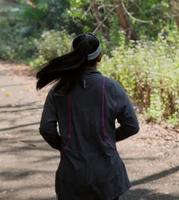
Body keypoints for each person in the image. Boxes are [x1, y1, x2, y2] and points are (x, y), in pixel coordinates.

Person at [36, 33, 139, 200]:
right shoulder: (111, 87)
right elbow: (132, 126)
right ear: (99, 57)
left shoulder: (59, 90)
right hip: (107, 176)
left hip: (72, 176)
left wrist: (65, 145)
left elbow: (46, 129)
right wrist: (108, 137)